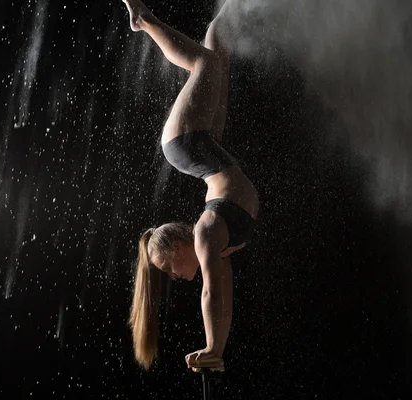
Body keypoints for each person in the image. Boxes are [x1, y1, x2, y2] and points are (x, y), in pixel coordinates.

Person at [123, 0, 259, 371]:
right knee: (220, 59)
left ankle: (143, 20)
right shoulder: (218, 245)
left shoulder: (205, 234)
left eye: (166, 267)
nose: (172, 276)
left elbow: (210, 292)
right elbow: (225, 297)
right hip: (205, 145)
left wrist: (211, 345)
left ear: (176, 244)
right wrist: (218, 350)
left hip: (183, 143)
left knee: (206, 64)